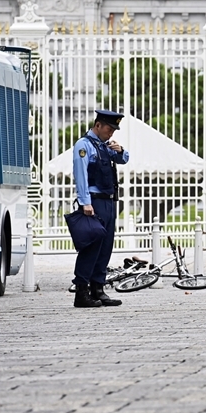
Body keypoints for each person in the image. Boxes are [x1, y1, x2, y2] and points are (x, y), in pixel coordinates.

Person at [71, 110, 130, 308]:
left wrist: (120, 149)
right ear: (98, 125)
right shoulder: (84, 145)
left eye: (114, 129)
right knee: (92, 246)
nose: (111, 132)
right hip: (94, 202)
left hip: (108, 201)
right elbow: (81, 176)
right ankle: (81, 292)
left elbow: (124, 159)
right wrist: (85, 202)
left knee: (105, 246)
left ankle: (98, 288)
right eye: (109, 128)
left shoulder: (105, 146)